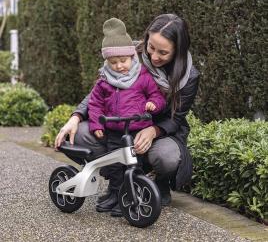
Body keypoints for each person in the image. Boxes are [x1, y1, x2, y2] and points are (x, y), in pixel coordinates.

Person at [55, 14, 200, 217]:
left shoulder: (189, 75)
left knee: (167, 156)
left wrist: (153, 130)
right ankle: (119, 182)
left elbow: (177, 118)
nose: (154, 56)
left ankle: (158, 182)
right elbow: (100, 90)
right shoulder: (129, 53)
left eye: (163, 52)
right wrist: (76, 117)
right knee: (79, 134)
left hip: (160, 130)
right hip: (120, 124)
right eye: (151, 47)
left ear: (178, 50)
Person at [88, 18, 166, 214]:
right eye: (113, 62)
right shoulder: (104, 81)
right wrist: (96, 124)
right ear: (107, 61)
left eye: (123, 61)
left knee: (134, 165)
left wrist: (153, 104)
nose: (119, 66)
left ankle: (130, 196)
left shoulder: (142, 77)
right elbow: (95, 103)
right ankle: (115, 194)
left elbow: (157, 96)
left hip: (136, 130)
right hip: (114, 131)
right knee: (115, 166)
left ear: (132, 57)